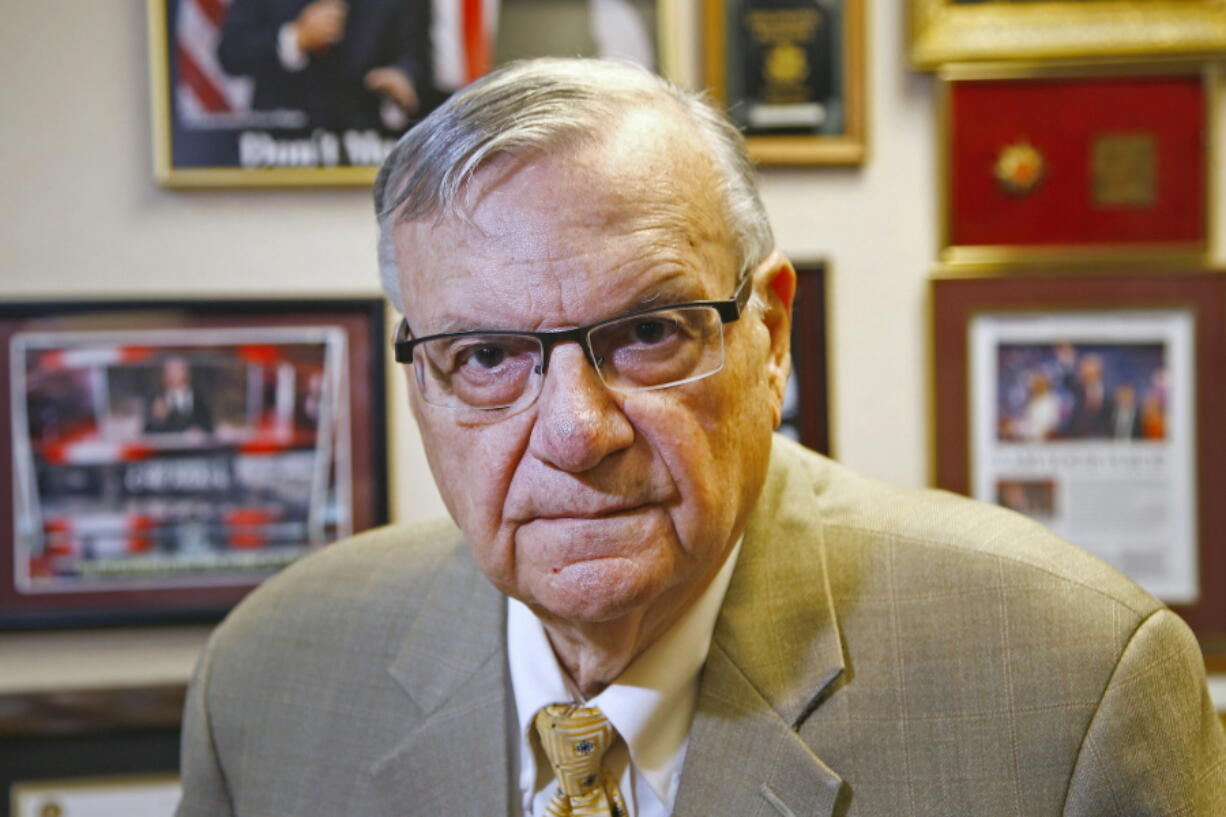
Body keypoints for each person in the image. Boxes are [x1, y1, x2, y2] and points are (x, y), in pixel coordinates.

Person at [176, 59, 1226, 816]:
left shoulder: (1073, 685)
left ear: (768, 337)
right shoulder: (267, 680)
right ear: (420, 376)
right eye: (487, 355)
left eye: (645, 333)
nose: (578, 432)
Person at [216, 0, 434, 133]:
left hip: (363, 140)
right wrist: (295, 38)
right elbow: (231, 54)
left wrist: (403, 77)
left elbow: (416, 57)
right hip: (278, 143)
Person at [144, 356, 213, 434]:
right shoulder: (156, 399)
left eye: (176, 369)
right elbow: (147, 432)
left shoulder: (198, 398)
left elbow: (209, 426)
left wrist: (199, 431)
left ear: (186, 371)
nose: (171, 373)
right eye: (169, 369)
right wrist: (158, 420)